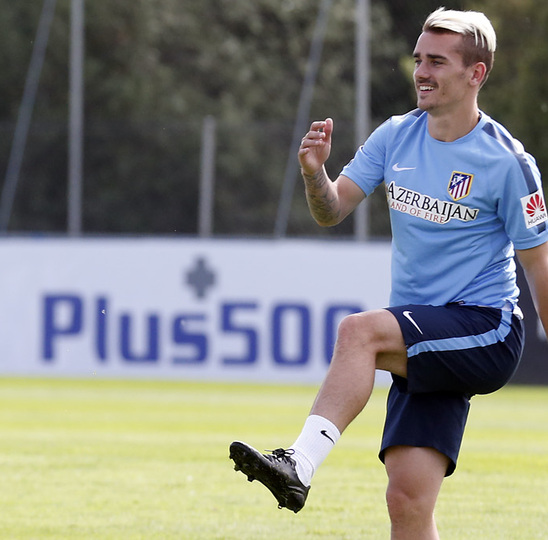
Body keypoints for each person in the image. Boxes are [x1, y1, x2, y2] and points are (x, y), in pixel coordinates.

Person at [229, 8, 548, 538]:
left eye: (437, 61)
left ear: (476, 74)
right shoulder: (396, 135)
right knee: (406, 501)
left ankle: (299, 466)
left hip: (485, 329)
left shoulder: (508, 162)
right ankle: (301, 470)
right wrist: (315, 175)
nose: (421, 71)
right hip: (424, 336)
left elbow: (540, 266)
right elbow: (332, 210)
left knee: (360, 332)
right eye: (419, 58)